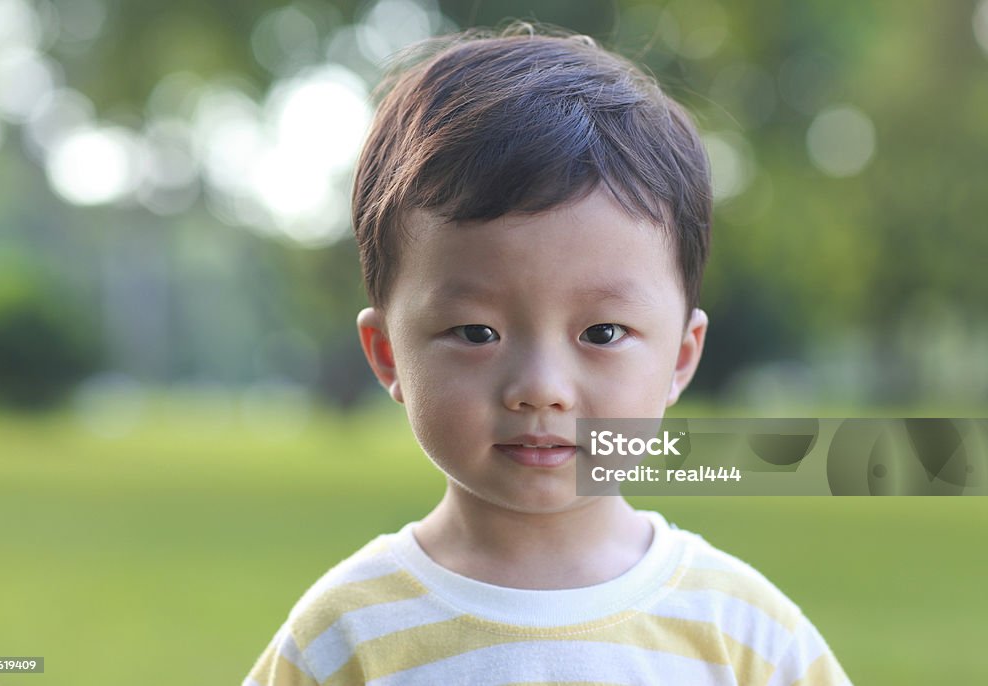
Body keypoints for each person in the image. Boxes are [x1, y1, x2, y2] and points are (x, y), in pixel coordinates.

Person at [244, 25, 851, 686]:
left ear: (681, 357)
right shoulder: (346, 636)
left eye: (601, 334)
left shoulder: (744, 635)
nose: (540, 388)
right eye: (477, 333)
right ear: (389, 354)